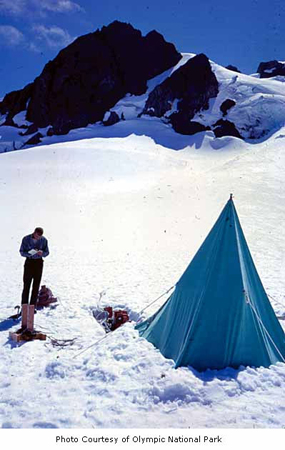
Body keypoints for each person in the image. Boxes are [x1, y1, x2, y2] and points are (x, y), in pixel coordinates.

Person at [20, 227, 49, 307]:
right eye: (37, 235)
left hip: (39, 263)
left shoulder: (44, 240)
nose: (38, 237)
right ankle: (24, 305)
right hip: (29, 262)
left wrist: (42, 253)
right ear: (34, 232)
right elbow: (21, 252)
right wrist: (30, 253)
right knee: (26, 285)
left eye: (40, 236)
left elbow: (47, 252)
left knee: (36, 285)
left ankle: (33, 306)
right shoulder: (26, 239)